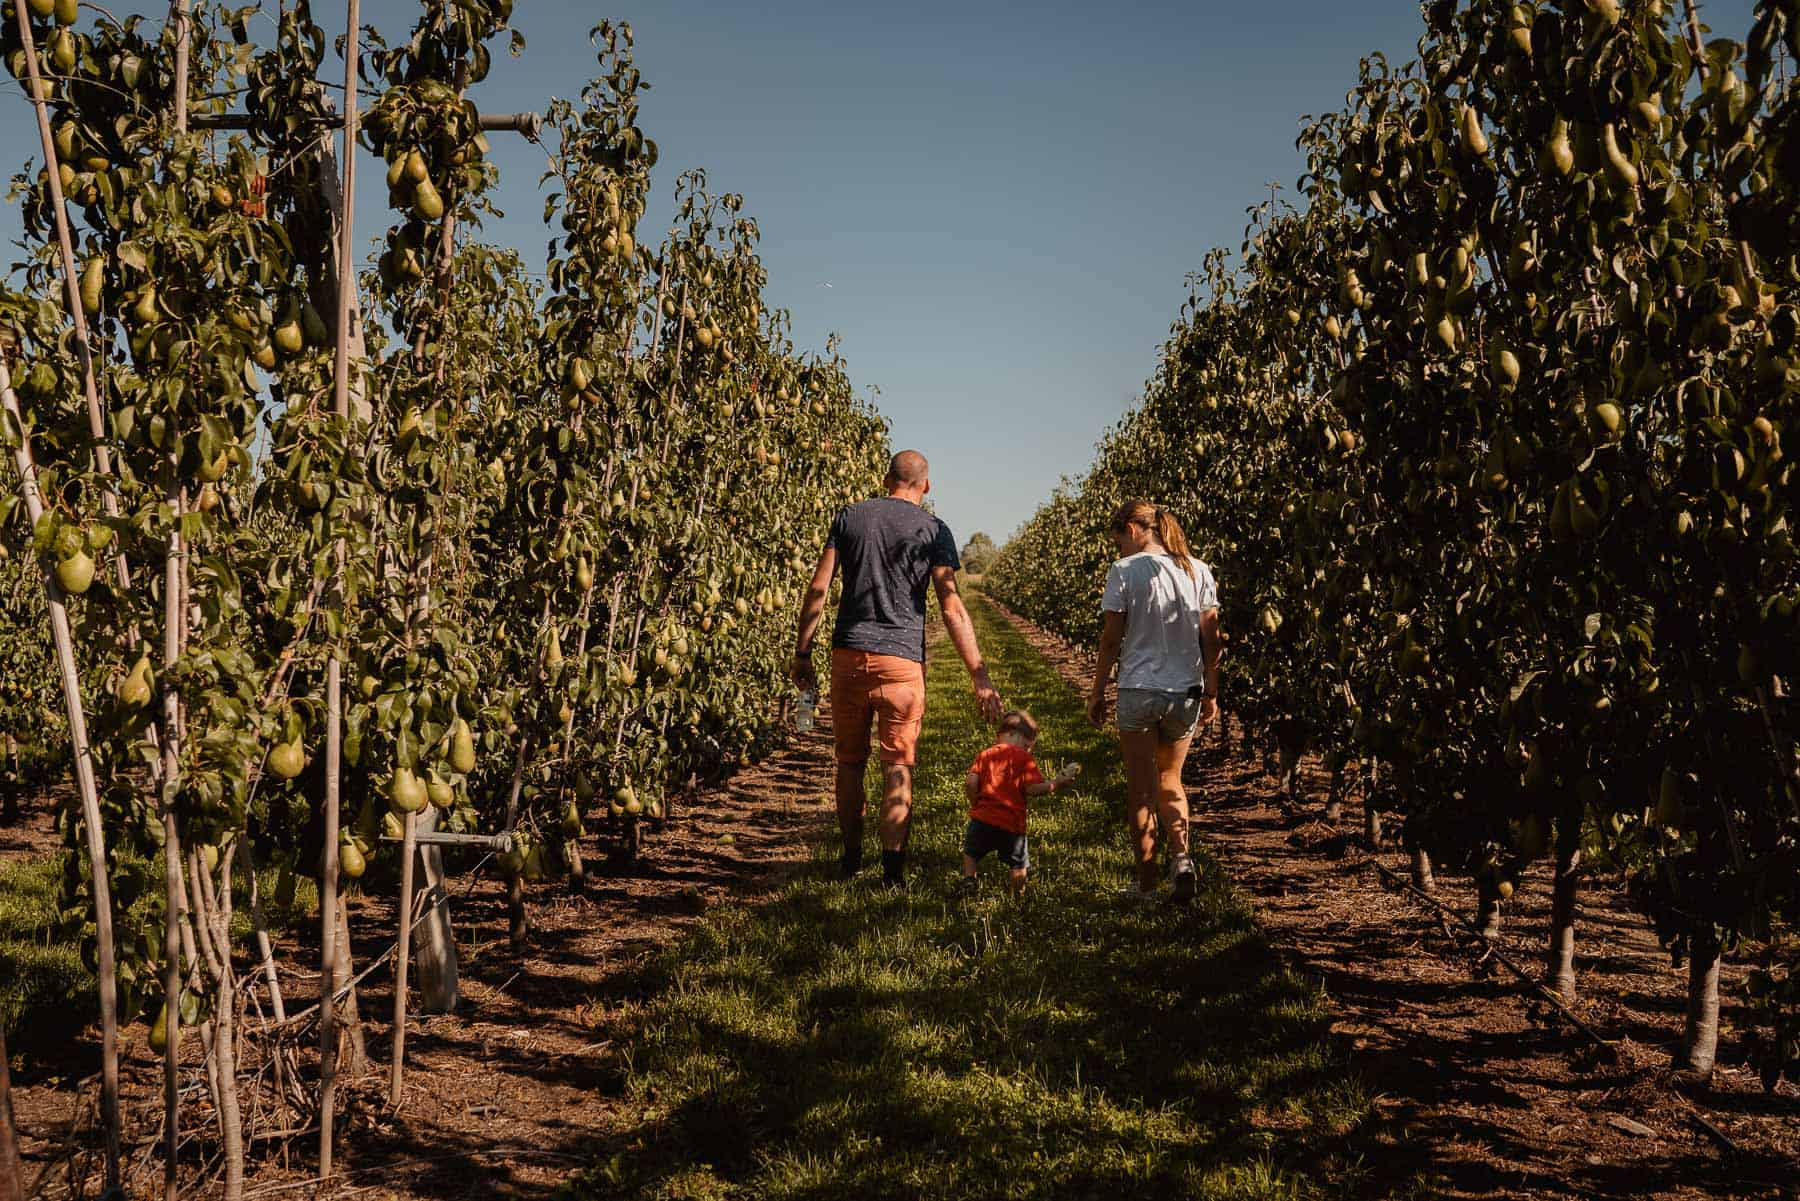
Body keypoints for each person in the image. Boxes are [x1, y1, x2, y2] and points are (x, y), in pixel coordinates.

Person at [794, 450, 1005, 887]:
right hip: (901, 662)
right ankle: (892, 875)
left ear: (887, 477)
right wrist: (979, 676)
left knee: (850, 763)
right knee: (897, 766)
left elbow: (819, 588)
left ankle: (850, 861)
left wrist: (803, 651)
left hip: (848, 655)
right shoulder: (933, 530)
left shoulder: (850, 516)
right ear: (925, 486)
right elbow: (951, 607)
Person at [1086, 500, 1222, 902]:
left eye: (1119, 541)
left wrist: (1097, 690)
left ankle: (1146, 885)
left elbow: (1111, 639)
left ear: (1132, 529)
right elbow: (1212, 638)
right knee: (1171, 779)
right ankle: (1182, 860)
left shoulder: (1124, 571)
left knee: (1141, 790)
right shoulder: (1198, 570)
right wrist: (1211, 690)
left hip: (1139, 690)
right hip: (1185, 691)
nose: (1119, 550)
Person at [960, 709, 1077, 898]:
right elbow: (1032, 789)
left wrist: (975, 804)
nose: (1028, 750)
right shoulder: (1024, 758)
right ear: (1023, 739)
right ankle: (1018, 896)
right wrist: (1056, 783)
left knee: (971, 852)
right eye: (1029, 746)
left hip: (981, 820)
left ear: (1000, 735)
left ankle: (969, 879)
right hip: (1012, 825)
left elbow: (970, 783)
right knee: (1018, 864)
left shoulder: (986, 754)